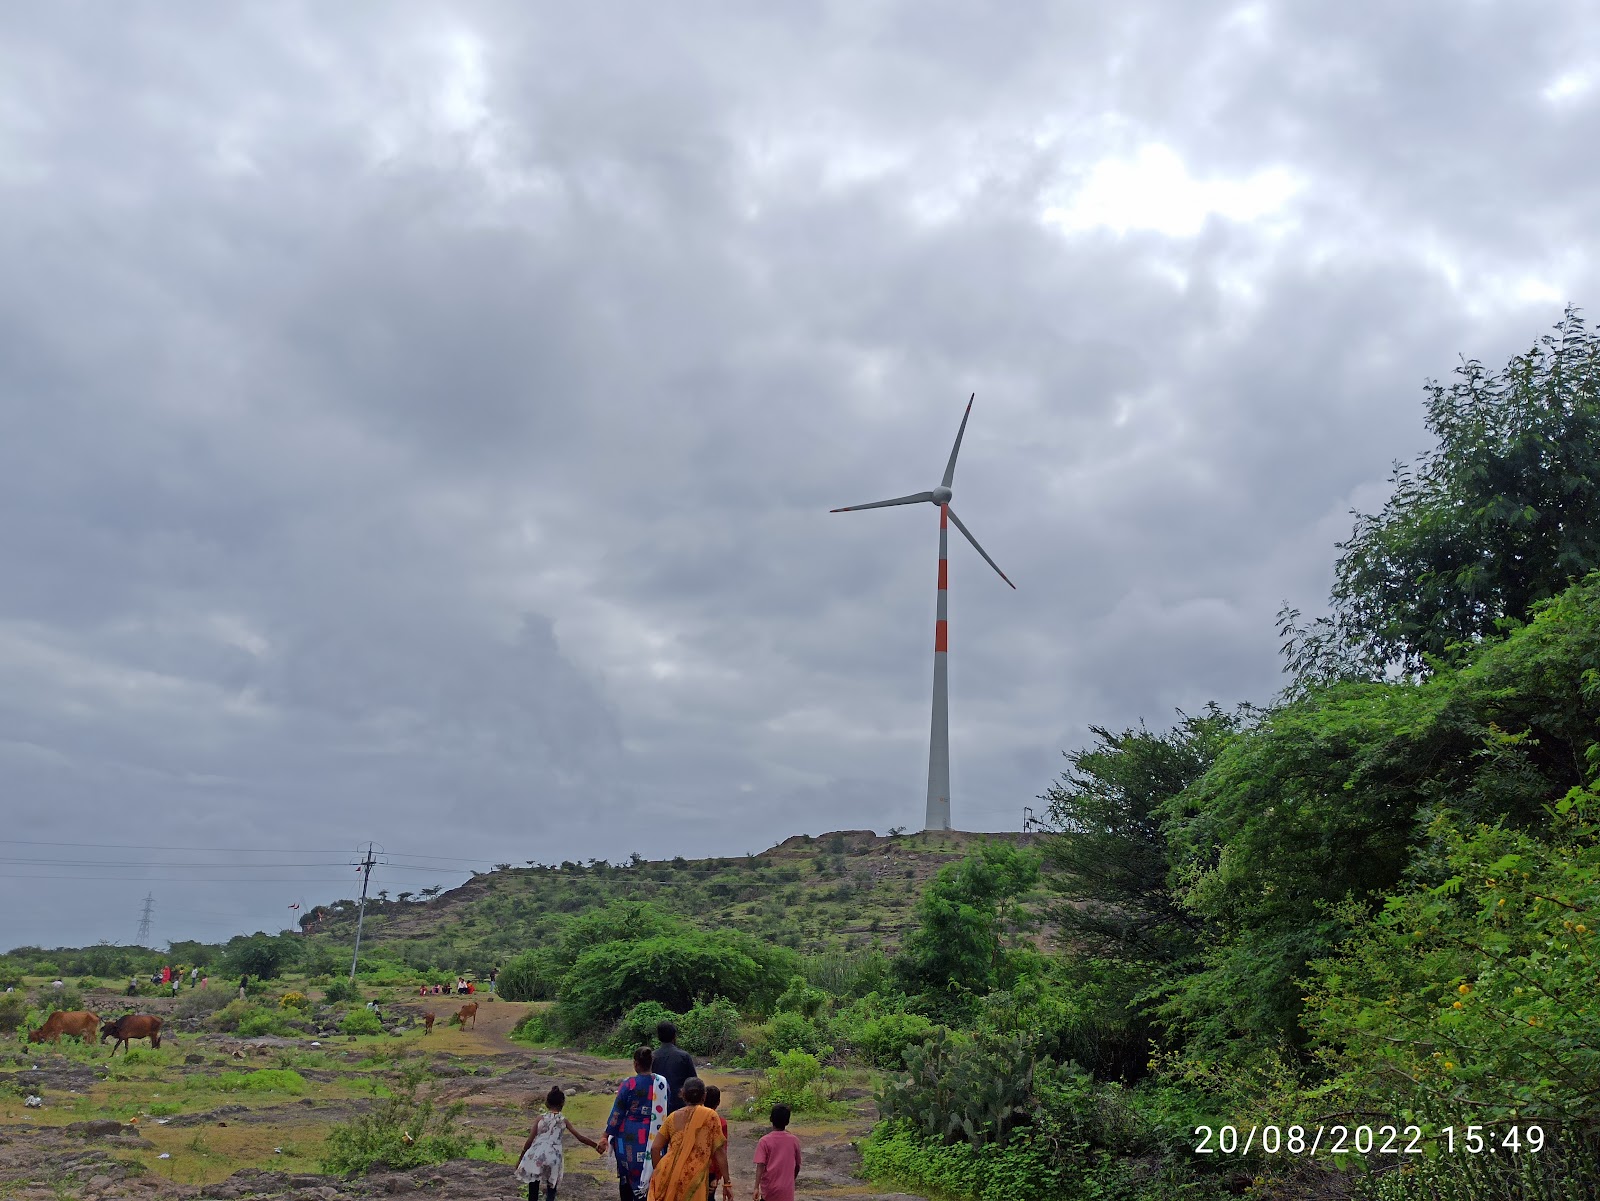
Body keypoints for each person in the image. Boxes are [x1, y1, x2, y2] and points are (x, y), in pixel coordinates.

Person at [602, 1046, 669, 1201]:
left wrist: (605, 1135)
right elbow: (666, 1107)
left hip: (630, 1136)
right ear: (651, 1063)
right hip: (656, 1135)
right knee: (653, 1171)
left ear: (636, 1064)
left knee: (628, 1175)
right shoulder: (662, 1083)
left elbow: (617, 1112)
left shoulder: (629, 1084)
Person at [646, 1077, 729, 1201]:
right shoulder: (710, 1116)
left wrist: (660, 1172)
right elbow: (719, 1151)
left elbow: (655, 1148)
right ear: (704, 1096)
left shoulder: (672, 1117)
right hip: (694, 1176)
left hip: (670, 1173)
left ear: (682, 1094)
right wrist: (727, 1183)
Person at [515, 1085, 600, 1201]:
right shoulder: (563, 1120)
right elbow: (580, 1137)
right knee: (551, 1188)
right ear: (562, 1103)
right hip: (554, 1156)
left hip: (536, 1154)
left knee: (533, 1189)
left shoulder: (540, 1119)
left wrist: (521, 1159)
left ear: (547, 1103)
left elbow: (529, 1141)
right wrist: (596, 1146)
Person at [753, 1104, 801, 1201]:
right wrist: (790, 1181)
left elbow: (760, 1166)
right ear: (787, 1121)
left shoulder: (764, 1141)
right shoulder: (794, 1141)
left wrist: (756, 1187)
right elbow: (797, 1165)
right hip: (786, 1191)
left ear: (771, 1119)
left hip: (769, 1190)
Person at [652, 1021, 695, 1114]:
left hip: (657, 1105)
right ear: (674, 1036)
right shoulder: (684, 1056)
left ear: (658, 1037)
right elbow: (693, 1082)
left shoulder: (652, 1057)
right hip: (679, 1104)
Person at [702, 1087, 728, 1200]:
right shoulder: (720, 1122)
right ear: (718, 1102)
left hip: (693, 1169)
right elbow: (721, 1151)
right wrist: (718, 1177)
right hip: (711, 1170)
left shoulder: (693, 1118)